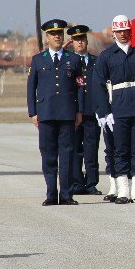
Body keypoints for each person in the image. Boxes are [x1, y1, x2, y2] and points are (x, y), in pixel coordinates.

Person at [93, 14, 135, 204]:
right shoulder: (107, 56)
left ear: (130, 32)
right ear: (114, 33)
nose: (123, 35)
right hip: (118, 108)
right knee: (120, 150)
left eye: (126, 31)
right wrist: (104, 112)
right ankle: (123, 191)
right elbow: (98, 85)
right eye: (119, 32)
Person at [27, 19, 85, 206]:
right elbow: (31, 88)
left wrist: (79, 111)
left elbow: (80, 87)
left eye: (59, 34)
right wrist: (33, 113)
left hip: (67, 113)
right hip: (46, 113)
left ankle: (67, 195)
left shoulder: (73, 59)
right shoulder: (38, 60)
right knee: (48, 154)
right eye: (53, 34)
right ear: (47, 37)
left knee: (67, 155)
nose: (57, 37)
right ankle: (52, 193)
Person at [69, 24, 103, 196]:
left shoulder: (96, 62)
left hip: (91, 112)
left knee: (91, 149)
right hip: (74, 113)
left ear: (86, 41)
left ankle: (91, 183)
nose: (80, 43)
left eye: (82, 39)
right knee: (75, 150)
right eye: (76, 40)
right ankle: (76, 183)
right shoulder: (69, 62)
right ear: (72, 42)